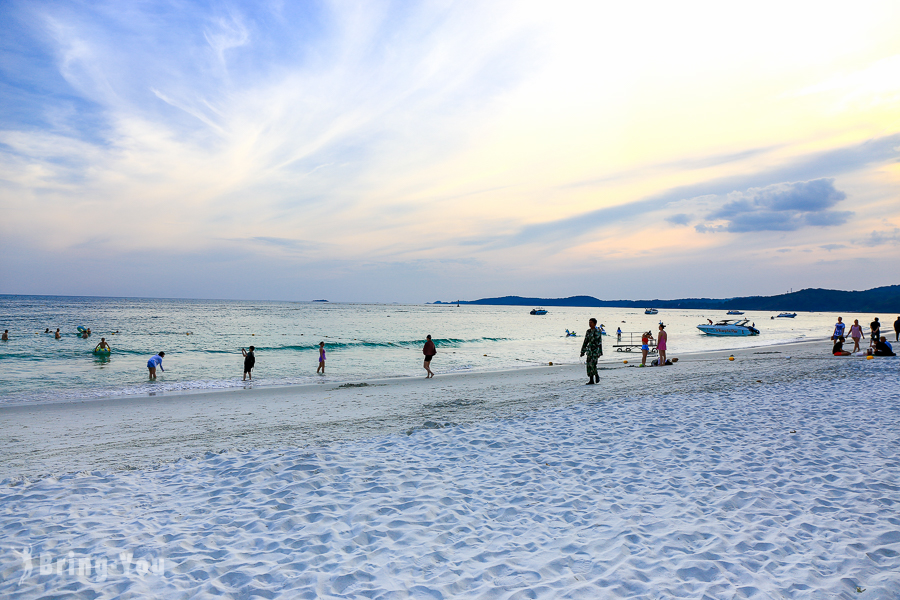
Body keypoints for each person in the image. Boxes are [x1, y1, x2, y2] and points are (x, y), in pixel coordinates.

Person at [580, 318, 603, 384]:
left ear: (595, 324)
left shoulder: (597, 331)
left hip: (595, 350)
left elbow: (598, 342)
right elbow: (585, 341)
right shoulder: (588, 331)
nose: (590, 324)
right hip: (589, 350)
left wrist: (599, 352)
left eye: (591, 323)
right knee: (588, 365)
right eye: (589, 322)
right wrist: (582, 351)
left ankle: (596, 375)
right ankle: (591, 380)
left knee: (593, 364)